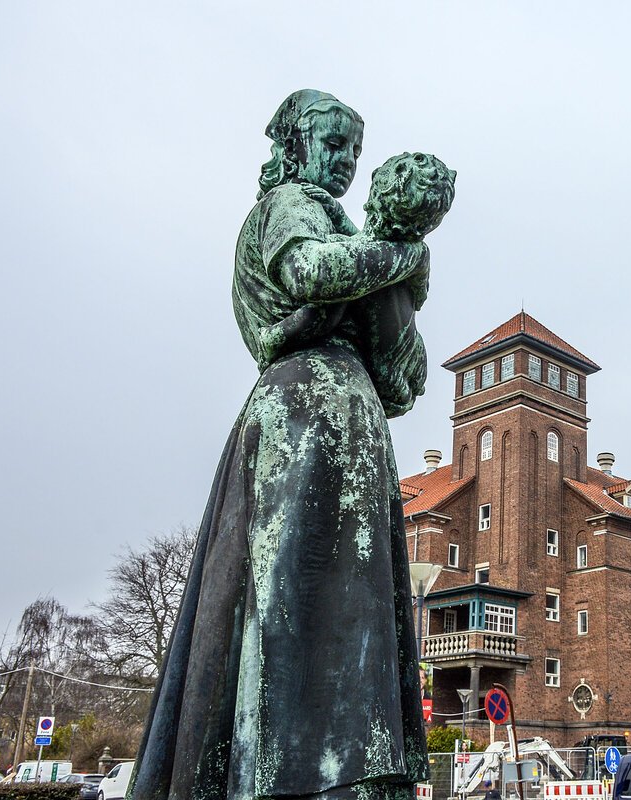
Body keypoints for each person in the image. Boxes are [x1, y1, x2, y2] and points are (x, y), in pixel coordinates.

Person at [131, 90, 454, 800]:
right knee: (297, 607)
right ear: (293, 146)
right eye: (332, 144)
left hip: (343, 424)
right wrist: (403, 255)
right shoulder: (291, 204)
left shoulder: (348, 232)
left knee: (340, 616)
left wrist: (393, 280)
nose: (343, 162)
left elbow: (406, 379)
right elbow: (310, 271)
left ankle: (332, 771)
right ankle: (292, 772)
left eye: (353, 151)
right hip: (304, 421)